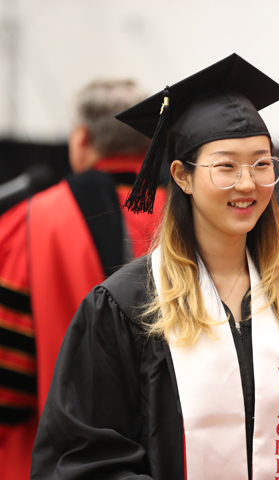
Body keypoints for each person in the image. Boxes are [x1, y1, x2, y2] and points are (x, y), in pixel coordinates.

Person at [30, 54, 279, 480]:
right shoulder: (126, 306)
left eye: (261, 162)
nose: (248, 182)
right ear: (181, 176)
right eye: (226, 166)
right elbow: (84, 460)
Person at [0, 79, 165, 480]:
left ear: (81, 139)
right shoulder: (191, 222)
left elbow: (8, 384)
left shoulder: (28, 222)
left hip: (53, 461)